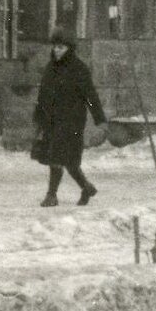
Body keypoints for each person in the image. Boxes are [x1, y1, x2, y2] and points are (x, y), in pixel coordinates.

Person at [32, 29, 106, 207]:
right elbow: (43, 94)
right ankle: (86, 187)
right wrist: (39, 116)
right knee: (65, 160)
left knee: (59, 157)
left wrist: (99, 118)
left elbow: (90, 95)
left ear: (69, 48)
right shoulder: (51, 67)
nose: (56, 50)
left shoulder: (78, 68)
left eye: (61, 47)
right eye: (55, 47)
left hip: (71, 121)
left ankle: (52, 195)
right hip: (52, 120)